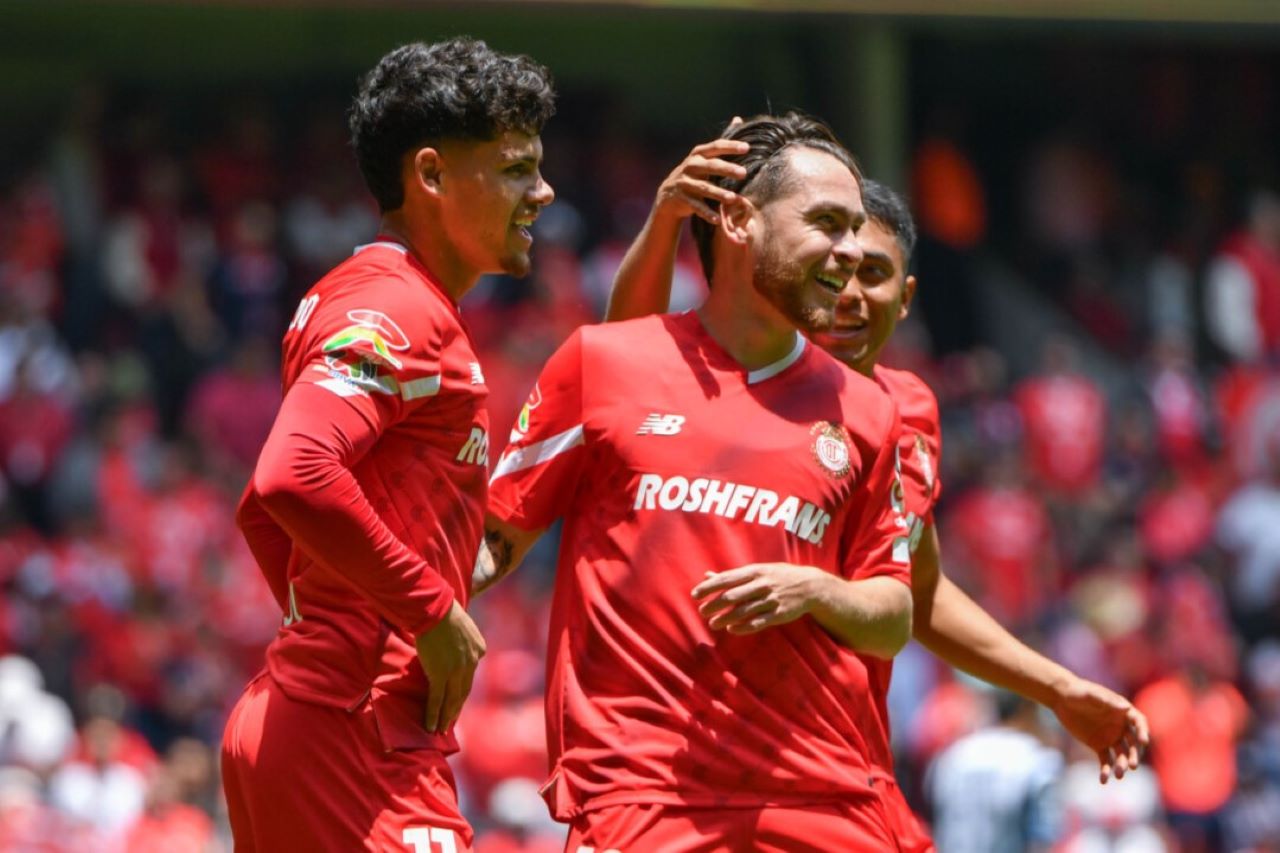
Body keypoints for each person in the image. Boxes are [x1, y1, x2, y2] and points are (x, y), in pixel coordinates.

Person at [603, 132, 1150, 850]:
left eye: (875, 272)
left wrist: (1056, 688)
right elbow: (623, 362)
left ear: (907, 293)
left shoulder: (906, 409)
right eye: (840, 267)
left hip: (845, 782)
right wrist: (668, 221)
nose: (852, 293)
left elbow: (916, 592)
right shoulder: (728, 385)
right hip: (695, 785)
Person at [478, 113, 915, 850]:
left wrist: (818, 590)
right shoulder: (604, 363)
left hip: (823, 798)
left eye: (856, 228)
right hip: (642, 794)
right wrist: (390, 616)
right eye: (826, 223)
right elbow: (493, 542)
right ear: (739, 219)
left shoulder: (867, 409)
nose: (849, 250)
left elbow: (894, 610)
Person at [220, 38, 556, 852]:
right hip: (351, 739)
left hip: (328, 720)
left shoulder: (368, 295)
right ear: (433, 175)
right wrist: (426, 612)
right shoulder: (396, 309)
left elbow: (260, 515)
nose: (542, 192)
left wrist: (341, 624)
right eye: (515, 168)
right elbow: (290, 479)